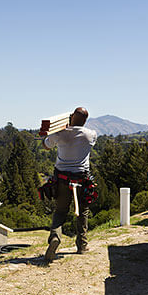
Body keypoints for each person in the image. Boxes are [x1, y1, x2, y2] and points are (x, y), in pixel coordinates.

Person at [42, 107, 97, 262]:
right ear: (85, 121)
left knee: (60, 211)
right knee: (83, 211)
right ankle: (82, 245)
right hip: (82, 179)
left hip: (62, 179)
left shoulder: (60, 134)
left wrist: (60, 129)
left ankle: (55, 237)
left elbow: (46, 145)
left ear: (71, 117)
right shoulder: (91, 135)